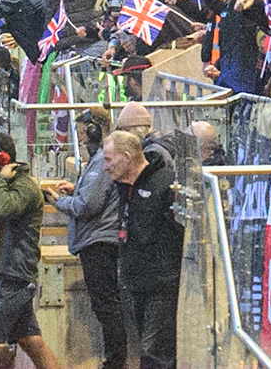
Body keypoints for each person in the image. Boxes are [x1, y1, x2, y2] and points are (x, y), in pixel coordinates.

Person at [0, 132, 63, 369]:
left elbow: (1, 210)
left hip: (10, 280)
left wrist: (0, 180)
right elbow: (0, 227)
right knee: (31, 341)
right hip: (10, 276)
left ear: (2, 158)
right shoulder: (9, 186)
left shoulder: (22, 188)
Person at [51, 108, 125, 369]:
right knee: (105, 304)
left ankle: (115, 361)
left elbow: (88, 205)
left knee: (106, 306)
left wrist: (61, 201)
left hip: (99, 242)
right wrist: (77, 188)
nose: (81, 139)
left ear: (96, 129)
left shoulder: (103, 159)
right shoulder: (98, 160)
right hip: (97, 239)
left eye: (83, 133)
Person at [105, 128, 184, 369]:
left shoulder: (165, 184)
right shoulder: (122, 185)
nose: (106, 167)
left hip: (161, 285)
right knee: (144, 347)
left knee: (154, 353)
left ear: (127, 157)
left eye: (109, 160)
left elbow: (181, 232)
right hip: (133, 282)